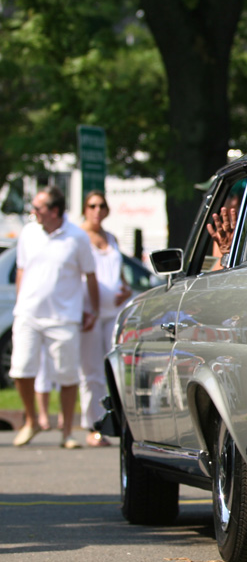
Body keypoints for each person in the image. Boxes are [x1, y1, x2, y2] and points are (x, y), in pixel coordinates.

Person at [10, 186, 100, 448]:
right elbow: (21, 270)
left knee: (67, 375)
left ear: (55, 211)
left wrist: (92, 309)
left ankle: (67, 432)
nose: (33, 212)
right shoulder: (28, 233)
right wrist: (20, 301)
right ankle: (32, 420)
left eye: (38, 208)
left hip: (63, 316)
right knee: (20, 369)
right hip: (28, 314)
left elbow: (90, 275)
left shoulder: (76, 237)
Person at [78, 190, 133, 446]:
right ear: (85, 209)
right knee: (91, 371)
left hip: (112, 312)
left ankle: (114, 422)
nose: (97, 210)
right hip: (89, 312)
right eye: (92, 206)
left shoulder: (110, 237)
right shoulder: (79, 237)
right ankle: (93, 425)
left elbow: (118, 272)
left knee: (113, 369)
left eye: (101, 205)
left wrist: (125, 289)